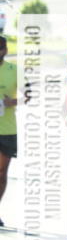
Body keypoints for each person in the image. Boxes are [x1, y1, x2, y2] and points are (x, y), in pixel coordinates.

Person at [0, 35, 17, 228]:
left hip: (7, 129)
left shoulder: (14, 71)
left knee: (2, 173)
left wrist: (13, 102)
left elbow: (27, 93)